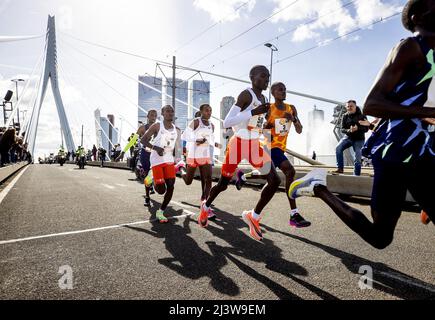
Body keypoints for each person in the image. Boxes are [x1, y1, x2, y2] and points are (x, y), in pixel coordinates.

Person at [289, 0, 435, 250]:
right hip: (396, 150)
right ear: (417, 17)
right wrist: (427, 112)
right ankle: (319, 187)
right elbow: (372, 104)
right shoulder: (412, 47)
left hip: (424, 149)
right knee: (380, 237)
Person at [199, 65, 281, 241]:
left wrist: (268, 127)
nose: (267, 80)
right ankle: (205, 207)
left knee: (275, 180)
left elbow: (258, 121)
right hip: (238, 143)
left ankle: (253, 216)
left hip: (254, 144)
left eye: (268, 77)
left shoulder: (264, 97)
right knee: (222, 184)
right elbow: (227, 122)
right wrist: (254, 111)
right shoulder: (246, 95)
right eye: (263, 76)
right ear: (252, 77)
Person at [235, 82, 311, 228]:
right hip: (268, 146)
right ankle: (294, 214)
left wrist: (293, 119)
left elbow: (300, 130)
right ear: (273, 92)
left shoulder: (291, 108)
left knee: (267, 176)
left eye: (285, 89)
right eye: (280, 89)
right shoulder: (269, 108)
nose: (283, 91)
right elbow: (256, 129)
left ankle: (243, 177)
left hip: (280, 148)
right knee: (290, 171)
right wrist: (266, 128)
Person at [177, 104, 221, 219]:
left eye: (210, 110)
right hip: (193, 154)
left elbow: (209, 141)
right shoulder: (196, 122)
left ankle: (205, 204)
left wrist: (216, 145)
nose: (209, 112)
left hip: (205, 155)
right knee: (188, 181)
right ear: (201, 111)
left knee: (208, 180)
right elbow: (184, 136)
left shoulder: (212, 125)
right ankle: (181, 168)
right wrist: (197, 140)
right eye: (206, 110)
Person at [141, 105, 182, 223]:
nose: (170, 113)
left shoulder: (177, 130)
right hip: (157, 160)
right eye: (167, 111)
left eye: (172, 111)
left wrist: (178, 160)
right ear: (162, 114)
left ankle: (161, 211)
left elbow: (177, 147)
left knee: (171, 185)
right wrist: (156, 148)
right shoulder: (157, 126)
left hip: (169, 160)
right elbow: (143, 140)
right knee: (160, 190)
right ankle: (151, 178)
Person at [117, 109, 158, 206]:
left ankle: (151, 184)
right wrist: (123, 152)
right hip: (145, 154)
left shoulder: (158, 128)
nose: (153, 117)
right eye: (151, 115)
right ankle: (147, 197)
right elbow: (132, 141)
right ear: (147, 117)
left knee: (155, 174)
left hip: (155, 154)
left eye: (155, 115)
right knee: (147, 174)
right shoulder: (142, 128)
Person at [333, 100, 369, 176]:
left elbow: (366, 129)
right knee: (338, 148)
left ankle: (356, 175)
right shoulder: (344, 116)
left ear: (355, 106)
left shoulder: (362, 116)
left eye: (351, 106)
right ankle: (340, 169)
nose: (349, 108)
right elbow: (342, 129)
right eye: (348, 106)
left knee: (358, 157)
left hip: (359, 139)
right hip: (348, 137)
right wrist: (349, 130)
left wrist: (357, 129)